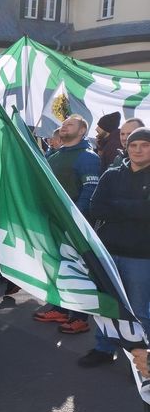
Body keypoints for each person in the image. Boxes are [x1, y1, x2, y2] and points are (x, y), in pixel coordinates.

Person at [78, 127, 150, 367]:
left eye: (144, 145)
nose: (138, 149)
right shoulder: (111, 174)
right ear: (127, 147)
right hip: (107, 253)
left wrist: (117, 206)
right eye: (133, 145)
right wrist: (134, 208)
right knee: (106, 305)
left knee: (138, 310)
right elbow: (96, 207)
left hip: (141, 256)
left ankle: (141, 359)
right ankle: (104, 348)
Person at [34, 115, 100, 334]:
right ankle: (60, 308)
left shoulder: (87, 157)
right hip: (53, 223)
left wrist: (74, 219)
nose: (63, 127)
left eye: (70, 124)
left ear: (82, 131)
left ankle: (80, 317)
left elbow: (90, 191)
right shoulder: (55, 155)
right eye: (63, 124)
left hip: (73, 226)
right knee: (57, 267)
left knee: (77, 270)